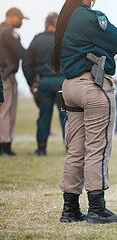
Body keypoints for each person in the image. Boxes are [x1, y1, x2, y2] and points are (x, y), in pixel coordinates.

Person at [49, 0, 117, 224]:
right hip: (91, 86)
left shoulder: (65, 16)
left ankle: (70, 209)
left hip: (70, 86)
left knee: (75, 150)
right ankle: (97, 207)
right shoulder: (90, 16)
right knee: (97, 148)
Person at [22, 12, 67, 156]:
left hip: (44, 82)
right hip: (62, 82)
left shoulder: (38, 39)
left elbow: (26, 62)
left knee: (44, 116)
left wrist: (31, 81)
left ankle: (41, 149)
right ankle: (71, 150)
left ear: (46, 24)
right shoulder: (64, 38)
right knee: (66, 117)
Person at [0, 7, 27, 157]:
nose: (21, 22)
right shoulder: (9, 33)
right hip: (6, 75)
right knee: (7, 110)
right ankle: (5, 145)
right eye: (20, 18)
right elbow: (21, 52)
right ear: (11, 16)